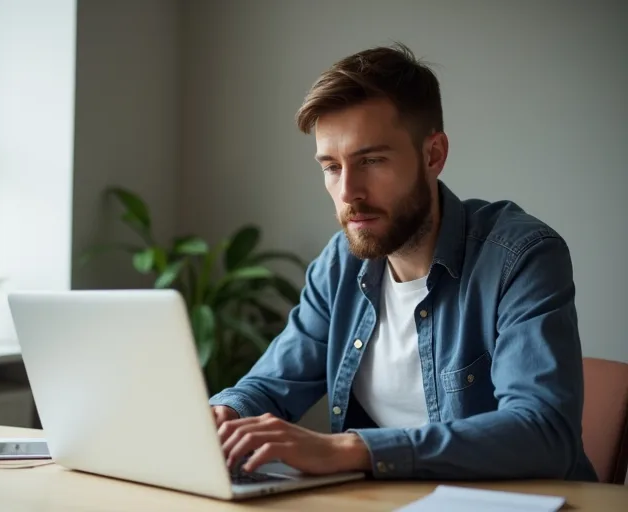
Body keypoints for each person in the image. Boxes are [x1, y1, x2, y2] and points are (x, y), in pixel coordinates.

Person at [208, 43, 598, 482]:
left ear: (433, 155)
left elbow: (543, 433)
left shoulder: (521, 256)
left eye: (371, 160)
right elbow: (269, 386)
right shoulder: (340, 264)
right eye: (331, 167)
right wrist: (222, 415)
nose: (348, 192)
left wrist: (351, 449)